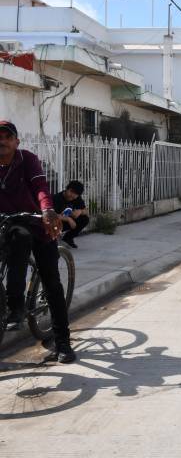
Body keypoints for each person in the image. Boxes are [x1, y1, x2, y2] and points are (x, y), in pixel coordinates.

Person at [0, 120, 76, 363]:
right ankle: (12, 305)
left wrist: (47, 210)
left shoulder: (27, 159)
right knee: (15, 240)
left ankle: (62, 341)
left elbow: (41, 187)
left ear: (16, 141)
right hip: (7, 224)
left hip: (37, 224)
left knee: (52, 283)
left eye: (7, 137)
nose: (1, 141)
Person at [53, 180, 89, 249]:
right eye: (71, 192)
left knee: (85, 219)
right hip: (57, 223)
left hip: (68, 222)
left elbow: (86, 211)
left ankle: (68, 239)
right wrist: (68, 219)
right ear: (67, 189)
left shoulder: (77, 199)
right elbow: (52, 215)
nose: (72, 195)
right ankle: (53, 241)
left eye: (75, 194)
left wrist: (80, 211)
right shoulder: (57, 198)